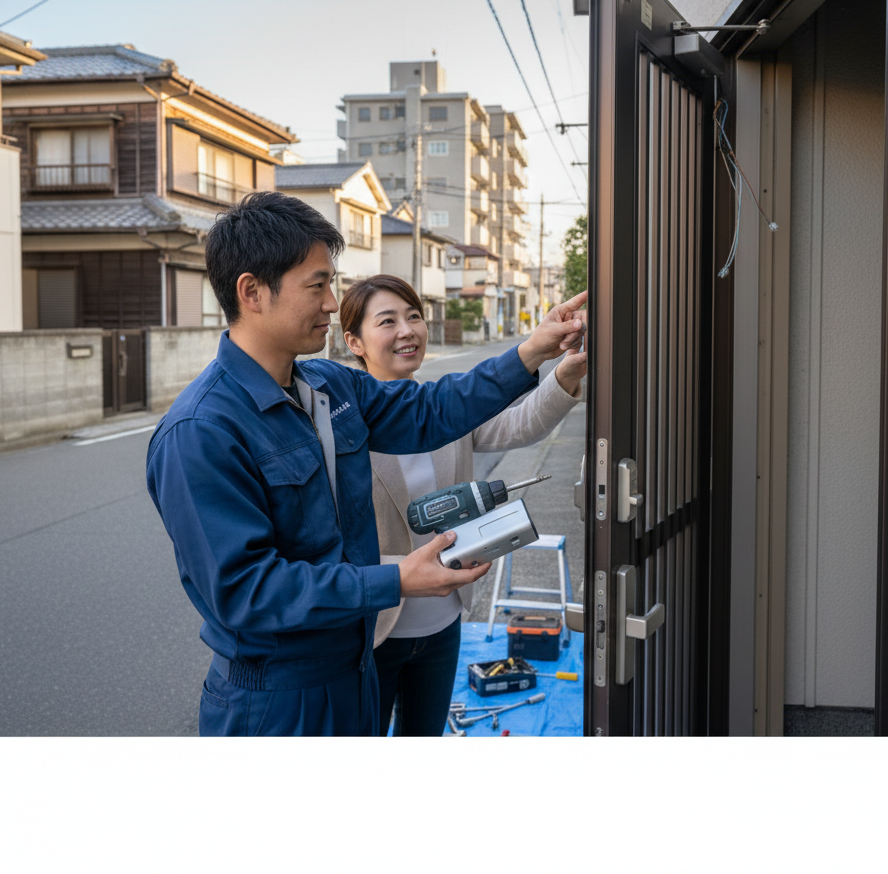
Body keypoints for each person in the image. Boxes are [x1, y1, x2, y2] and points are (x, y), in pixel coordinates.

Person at [145, 192, 586, 736]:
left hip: (353, 666)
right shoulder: (201, 431)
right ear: (252, 292)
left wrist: (534, 349)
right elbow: (246, 592)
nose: (332, 303)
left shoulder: (329, 386)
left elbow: (433, 409)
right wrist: (395, 577)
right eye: (318, 285)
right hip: (278, 698)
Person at [338, 276, 586, 736]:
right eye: (387, 321)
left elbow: (518, 425)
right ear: (354, 342)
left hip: (443, 621)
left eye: (413, 316)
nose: (407, 330)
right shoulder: (340, 427)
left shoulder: (443, 406)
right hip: (375, 629)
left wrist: (565, 375)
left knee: (424, 734)